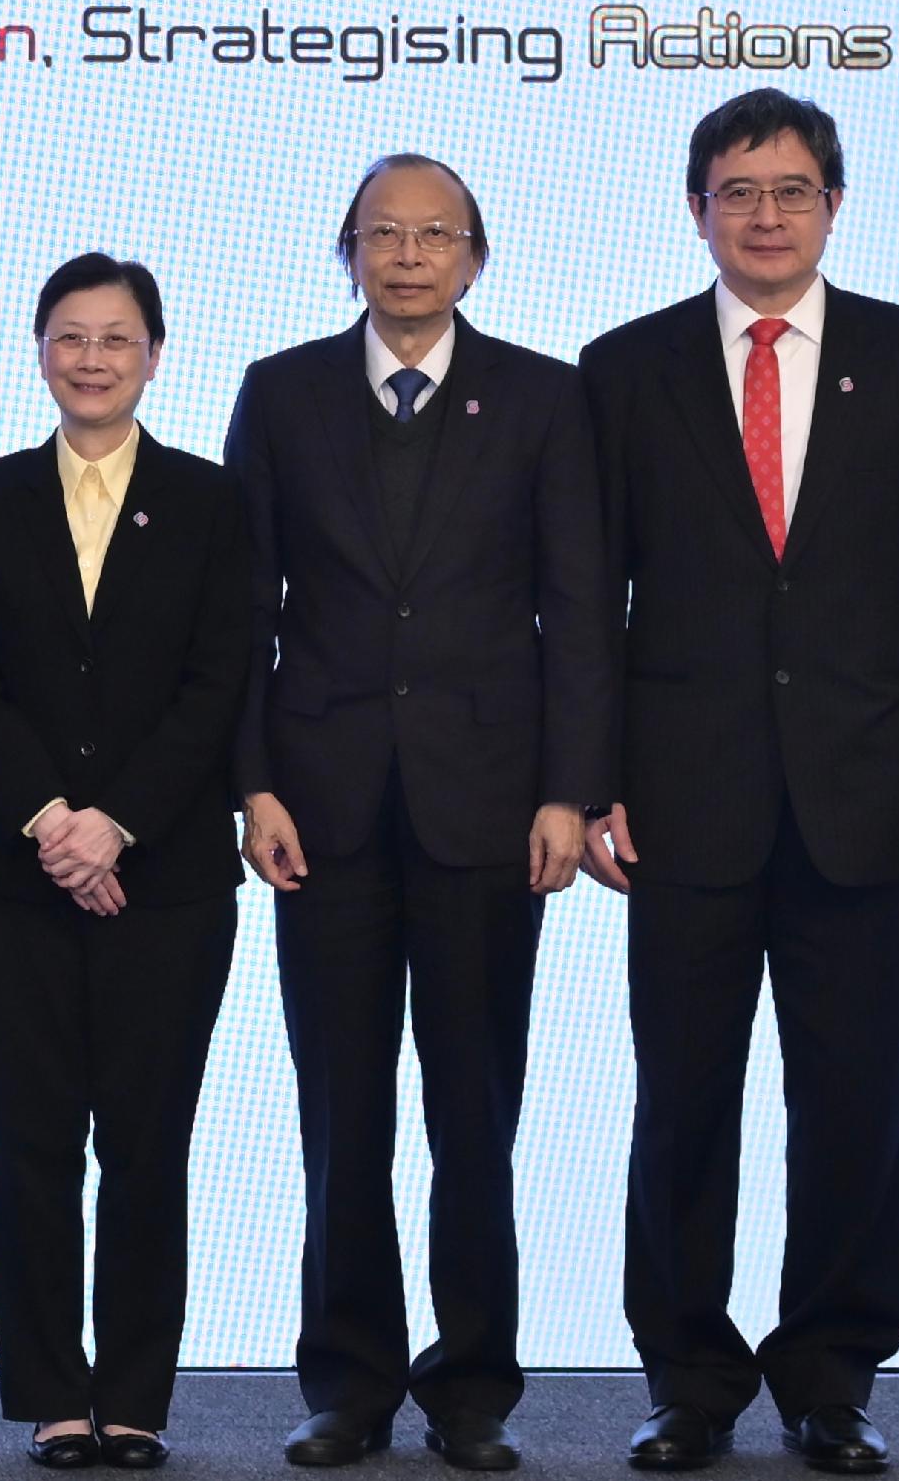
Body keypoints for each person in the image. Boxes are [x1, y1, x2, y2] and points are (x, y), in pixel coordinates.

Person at [577, 89, 899, 1477]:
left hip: (868, 792)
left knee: (854, 1094)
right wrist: (590, 781)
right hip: (681, 795)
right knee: (683, 1096)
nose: (765, 213)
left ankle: (831, 1373)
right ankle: (687, 1375)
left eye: (792, 188)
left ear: (833, 202)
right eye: (738, 189)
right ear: (696, 206)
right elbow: (589, 603)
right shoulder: (623, 370)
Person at [228, 159, 614, 1474]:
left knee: (474, 1113)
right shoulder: (280, 393)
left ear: (474, 255)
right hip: (318, 811)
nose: (407, 255)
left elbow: (580, 613)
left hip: (489, 807)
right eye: (383, 234)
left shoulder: (548, 398)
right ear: (350, 251)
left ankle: (473, 1391)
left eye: (432, 233)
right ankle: (347, 1381)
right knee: (341, 1113)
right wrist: (251, 779)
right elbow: (240, 612)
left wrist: (571, 789)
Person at [0, 255, 251, 1472]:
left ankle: (135, 1394)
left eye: (117, 337)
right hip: (13, 874)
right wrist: (53, 819)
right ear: (38, 349)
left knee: (146, 1140)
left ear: (155, 355)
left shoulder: (212, 499)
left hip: (164, 877)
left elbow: (217, 680)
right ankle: (53, 1395)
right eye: (70, 335)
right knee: (30, 1138)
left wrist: (115, 821)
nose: (93, 357)